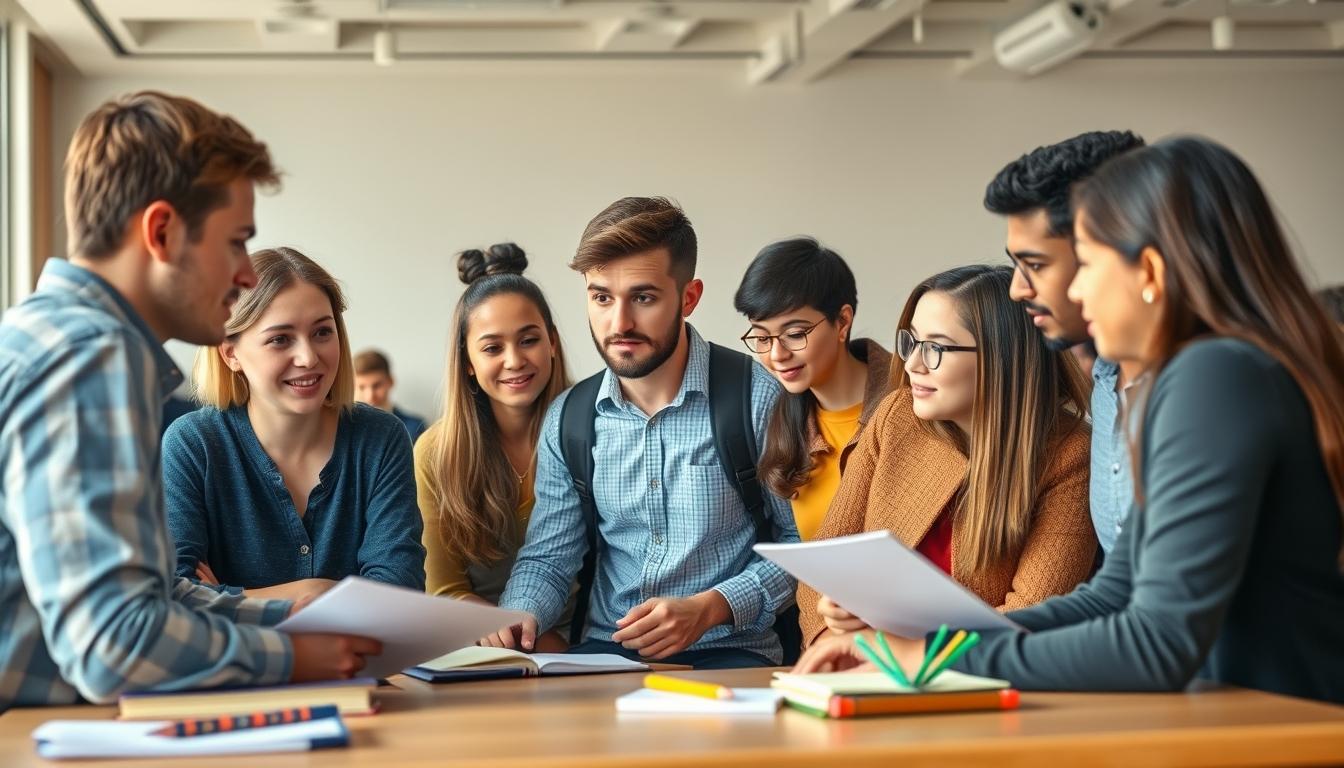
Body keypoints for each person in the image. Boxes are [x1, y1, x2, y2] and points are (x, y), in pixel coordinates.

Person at [795, 137, 1344, 705]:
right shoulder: (1192, 376)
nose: (1077, 290)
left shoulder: (1212, 375)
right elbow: (1115, 593)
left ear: (1149, 272)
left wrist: (932, 659)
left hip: (1287, 721)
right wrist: (931, 647)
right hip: (1239, 714)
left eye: (1090, 265)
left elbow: (1157, 644)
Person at [0, 91, 378, 712]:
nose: (246, 275)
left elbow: (145, 602)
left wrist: (285, 616)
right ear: (162, 232)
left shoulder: (53, 334)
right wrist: (291, 657)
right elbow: (115, 645)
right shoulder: (92, 354)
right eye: (236, 242)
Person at [485, 197, 800, 669]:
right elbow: (549, 559)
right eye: (601, 298)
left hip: (731, 655)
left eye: (644, 298)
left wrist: (712, 607)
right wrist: (519, 614)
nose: (620, 324)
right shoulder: (569, 418)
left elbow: (801, 548)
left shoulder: (757, 398)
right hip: (605, 657)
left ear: (688, 298)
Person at [798, 265, 1096, 647]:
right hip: (865, 665)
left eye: (935, 348)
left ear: (1001, 358)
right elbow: (823, 563)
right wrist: (831, 630)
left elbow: (1030, 616)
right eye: (912, 342)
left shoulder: (1071, 454)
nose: (912, 364)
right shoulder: (895, 416)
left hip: (978, 674)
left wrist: (895, 652)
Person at [164, 247, 425, 601]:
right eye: (280, 339)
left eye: (322, 332)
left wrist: (231, 597)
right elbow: (175, 595)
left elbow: (399, 591)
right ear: (231, 354)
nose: (308, 357)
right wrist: (315, 590)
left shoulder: (381, 437)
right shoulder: (193, 444)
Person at [985, 130, 1145, 556]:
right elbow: (1123, 577)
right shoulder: (1107, 383)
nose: (1017, 289)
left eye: (1036, 265)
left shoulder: (1211, 383)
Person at [416, 243, 573, 652]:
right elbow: (444, 590)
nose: (514, 360)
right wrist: (507, 633)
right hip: (481, 645)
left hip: (586, 647)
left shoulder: (592, 430)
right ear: (467, 361)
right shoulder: (434, 452)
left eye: (529, 340)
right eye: (492, 348)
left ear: (552, 342)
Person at [733, 237, 892, 541]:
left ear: (842, 322)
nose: (777, 355)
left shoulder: (912, 405)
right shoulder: (776, 419)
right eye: (762, 338)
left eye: (794, 334)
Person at [354, 349, 428, 442]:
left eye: (376, 386)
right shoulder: (345, 426)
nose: (370, 396)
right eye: (362, 387)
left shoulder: (415, 427)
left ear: (391, 381)